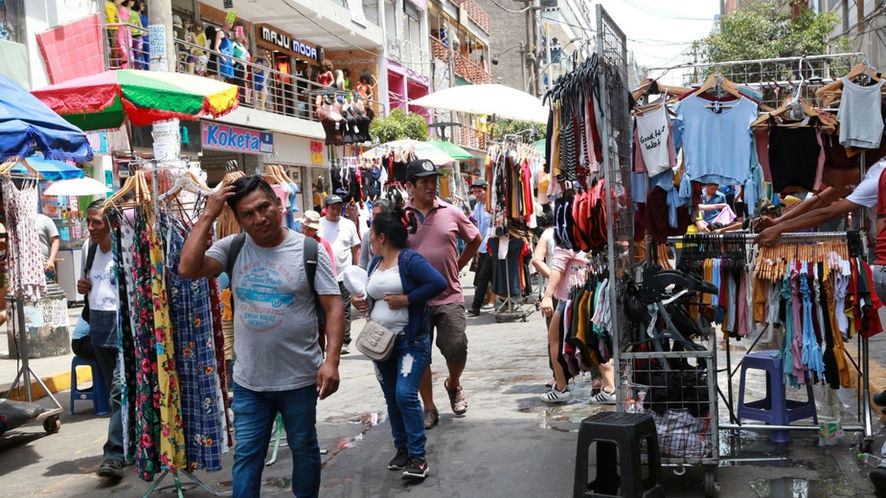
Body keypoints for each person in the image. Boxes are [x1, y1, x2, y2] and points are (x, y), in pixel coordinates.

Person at [178, 175, 344, 498]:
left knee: (304, 448)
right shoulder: (234, 248)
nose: (259, 218)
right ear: (239, 219)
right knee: (247, 457)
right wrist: (209, 213)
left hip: (299, 379)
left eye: (264, 207)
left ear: (279, 204)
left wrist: (332, 361)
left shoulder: (309, 250)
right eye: (248, 214)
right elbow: (187, 267)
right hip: (249, 382)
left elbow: (333, 306)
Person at [352, 209, 447, 481]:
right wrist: (362, 302)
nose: (370, 240)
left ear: (382, 237)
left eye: (372, 235)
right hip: (381, 342)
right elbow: (373, 295)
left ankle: (418, 457)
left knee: (405, 394)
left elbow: (437, 282)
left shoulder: (409, 260)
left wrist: (407, 299)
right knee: (392, 397)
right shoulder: (375, 263)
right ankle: (402, 449)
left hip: (410, 341)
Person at [404, 159, 482, 429]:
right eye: (424, 181)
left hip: (449, 294)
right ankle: (428, 406)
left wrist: (457, 265)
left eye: (433, 180)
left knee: (457, 347)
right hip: (416, 299)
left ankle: (453, 383)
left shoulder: (451, 212)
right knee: (420, 355)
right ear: (410, 186)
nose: (431, 185)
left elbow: (475, 239)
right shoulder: (402, 217)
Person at [77, 200, 125, 480]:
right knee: (116, 393)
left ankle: (113, 454)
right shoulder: (89, 248)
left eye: (96, 222)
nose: (91, 227)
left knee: (119, 390)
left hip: (122, 327)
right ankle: (130, 445)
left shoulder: (125, 246)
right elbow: (85, 283)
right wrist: (82, 286)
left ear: (111, 223)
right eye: (89, 222)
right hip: (98, 326)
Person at [539, 246, 616, 404]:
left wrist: (547, 296)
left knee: (559, 339)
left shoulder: (566, 239)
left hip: (571, 297)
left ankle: (563, 387)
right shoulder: (589, 240)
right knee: (596, 338)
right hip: (591, 293)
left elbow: (557, 267)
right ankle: (607, 386)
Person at [320, 195, 360, 354]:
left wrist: (356, 270)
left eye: (338, 208)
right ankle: (327, 341)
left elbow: (355, 249)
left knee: (344, 308)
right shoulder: (319, 224)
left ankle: (344, 340)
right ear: (326, 209)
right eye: (332, 208)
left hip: (344, 274)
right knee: (325, 309)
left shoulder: (348, 224)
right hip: (323, 275)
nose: (336, 211)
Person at [468, 178, 492, 316]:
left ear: (486, 191)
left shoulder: (493, 204)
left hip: (492, 245)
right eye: (475, 192)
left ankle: (476, 306)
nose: (477, 194)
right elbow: (477, 227)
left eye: (479, 191)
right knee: (486, 276)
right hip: (482, 246)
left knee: (483, 276)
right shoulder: (477, 207)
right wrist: (476, 247)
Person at [358, 198, 391, 270]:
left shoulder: (392, 234)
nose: (374, 218)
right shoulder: (367, 234)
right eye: (373, 214)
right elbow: (363, 261)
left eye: (378, 215)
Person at [35, 213, 59, 282]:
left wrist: (51, 260)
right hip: (25, 269)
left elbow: (55, 241)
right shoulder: (19, 222)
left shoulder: (45, 220)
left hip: (44, 266)